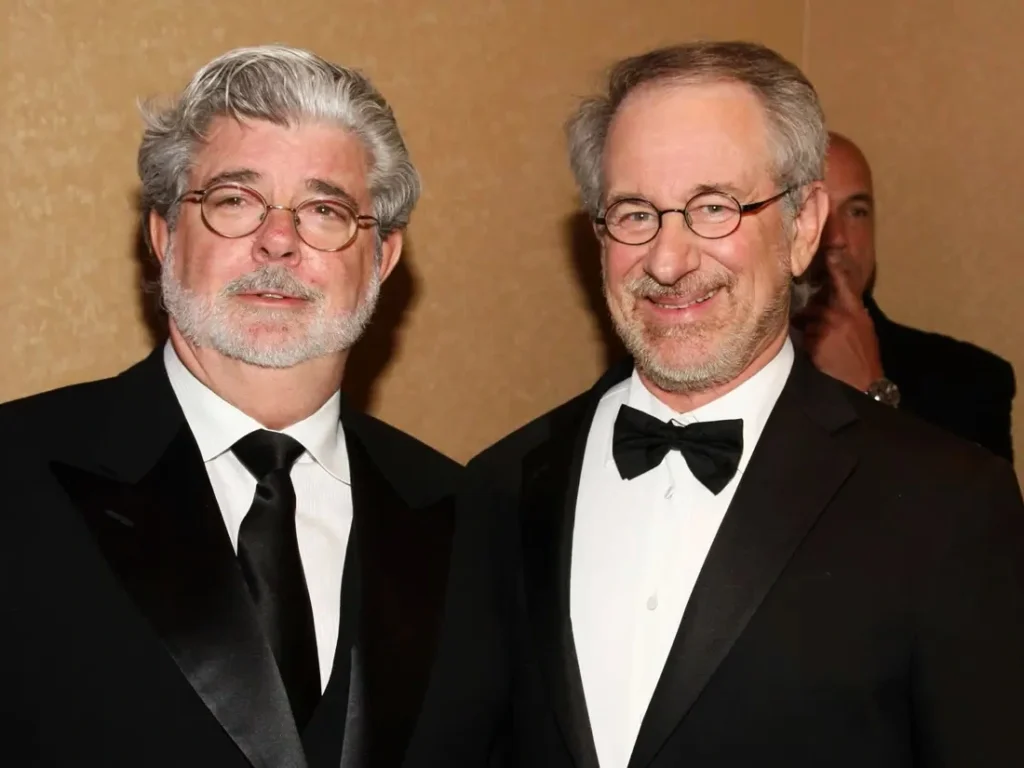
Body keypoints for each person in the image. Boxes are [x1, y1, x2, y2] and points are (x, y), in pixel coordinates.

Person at [413, 42, 1024, 768]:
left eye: (714, 207)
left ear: (802, 229)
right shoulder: (503, 485)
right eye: (635, 213)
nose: (668, 261)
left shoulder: (948, 504)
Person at [0, 45, 459, 768]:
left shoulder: (471, 517)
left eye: (324, 208)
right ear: (163, 235)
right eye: (235, 201)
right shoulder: (15, 480)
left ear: (383, 257)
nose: (278, 240)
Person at [795, 132, 1015, 460]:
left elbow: (968, 509)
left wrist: (873, 393)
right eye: (815, 211)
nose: (838, 238)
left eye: (856, 212)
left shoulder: (970, 381)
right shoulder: (721, 366)